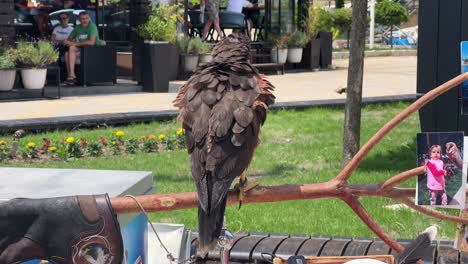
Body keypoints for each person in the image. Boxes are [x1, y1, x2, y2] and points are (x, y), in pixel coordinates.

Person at [62, 11, 100, 85]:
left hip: (92, 50)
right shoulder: (78, 27)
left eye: (86, 18)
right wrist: (67, 41)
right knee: (66, 54)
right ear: (79, 20)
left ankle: (72, 76)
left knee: (72, 47)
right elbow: (69, 39)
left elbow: (91, 42)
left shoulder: (92, 26)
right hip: (81, 50)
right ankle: (71, 77)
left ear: (89, 18)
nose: (85, 20)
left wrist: (74, 43)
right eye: (82, 19)